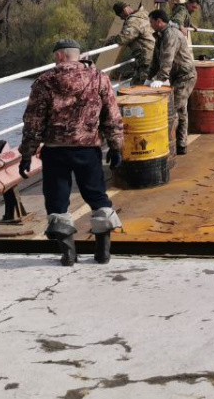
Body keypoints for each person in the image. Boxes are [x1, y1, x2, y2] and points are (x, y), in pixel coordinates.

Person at [18, 39, 124, 266]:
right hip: (89, 150)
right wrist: (116, 147)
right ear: (80, 55)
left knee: (57, 200)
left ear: (58, 56)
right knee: (97, 196)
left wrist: (27, 154)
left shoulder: (45, 81)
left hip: (56, 152)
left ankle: (68, 254)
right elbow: (112, 116)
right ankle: (103, 251)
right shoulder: (99, 78)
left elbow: (33, 122)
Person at [147, 9, 196, 155]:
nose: (150, 25)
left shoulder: (170, 34)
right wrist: (149, 77)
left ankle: (165, 144)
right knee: (181, 110)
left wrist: (161, 78)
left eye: (151, 22)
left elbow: (168, 57)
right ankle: (181, 144)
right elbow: (156, 60)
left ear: (159, 21)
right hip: (177, 76)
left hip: (185, 76)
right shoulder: (161, 35)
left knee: (172, 110)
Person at [106, 1, 154, 85]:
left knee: (142, 88)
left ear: (124, 11)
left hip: (146, 57)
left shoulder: (133, 21)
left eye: (120, 15)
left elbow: (125, 37)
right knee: (135, 84)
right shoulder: (145, 14)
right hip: (152, 55)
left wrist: (110, 40)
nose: (121, 18)